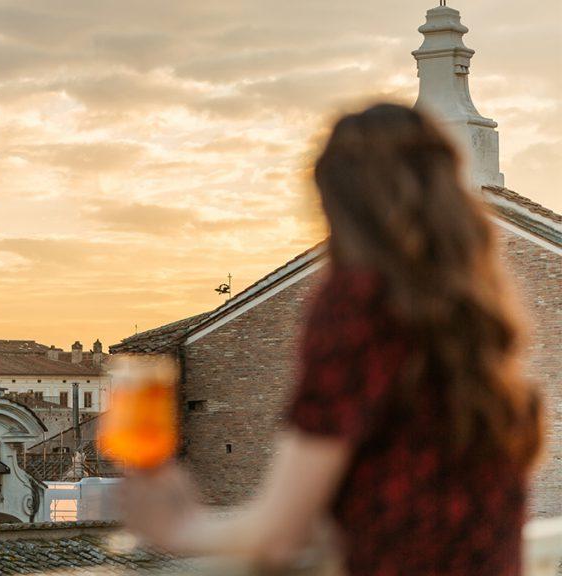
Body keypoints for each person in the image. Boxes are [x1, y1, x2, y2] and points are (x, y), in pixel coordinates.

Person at [121, 103, 544, 576]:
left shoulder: (358, 306)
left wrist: (179, 529)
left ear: (341, 206)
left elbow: (279, 534)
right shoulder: (479, 323)